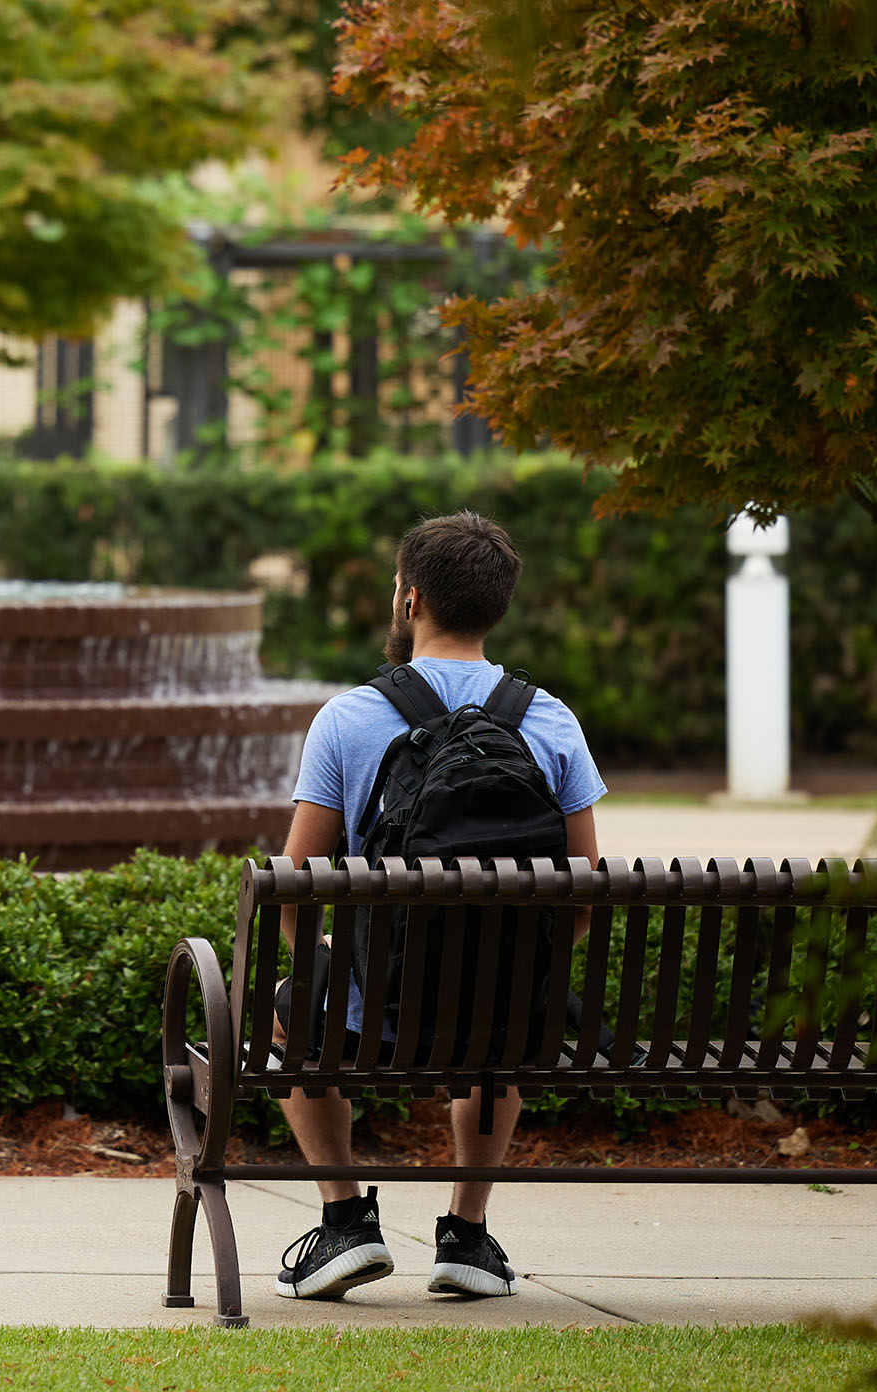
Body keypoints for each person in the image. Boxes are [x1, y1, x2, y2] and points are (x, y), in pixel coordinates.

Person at [271, 511, 605, 1302]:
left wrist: (330, 970)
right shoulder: (551, 721)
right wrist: (517, 969)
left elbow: (296, 883)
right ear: (497, 607)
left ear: (409, 598)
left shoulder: (348, 719)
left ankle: (346, 1223)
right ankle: (467, 1237)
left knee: (286, 1010)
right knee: (503, 1015)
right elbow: (586, 887)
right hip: (506, 1018)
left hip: (370, 1014)